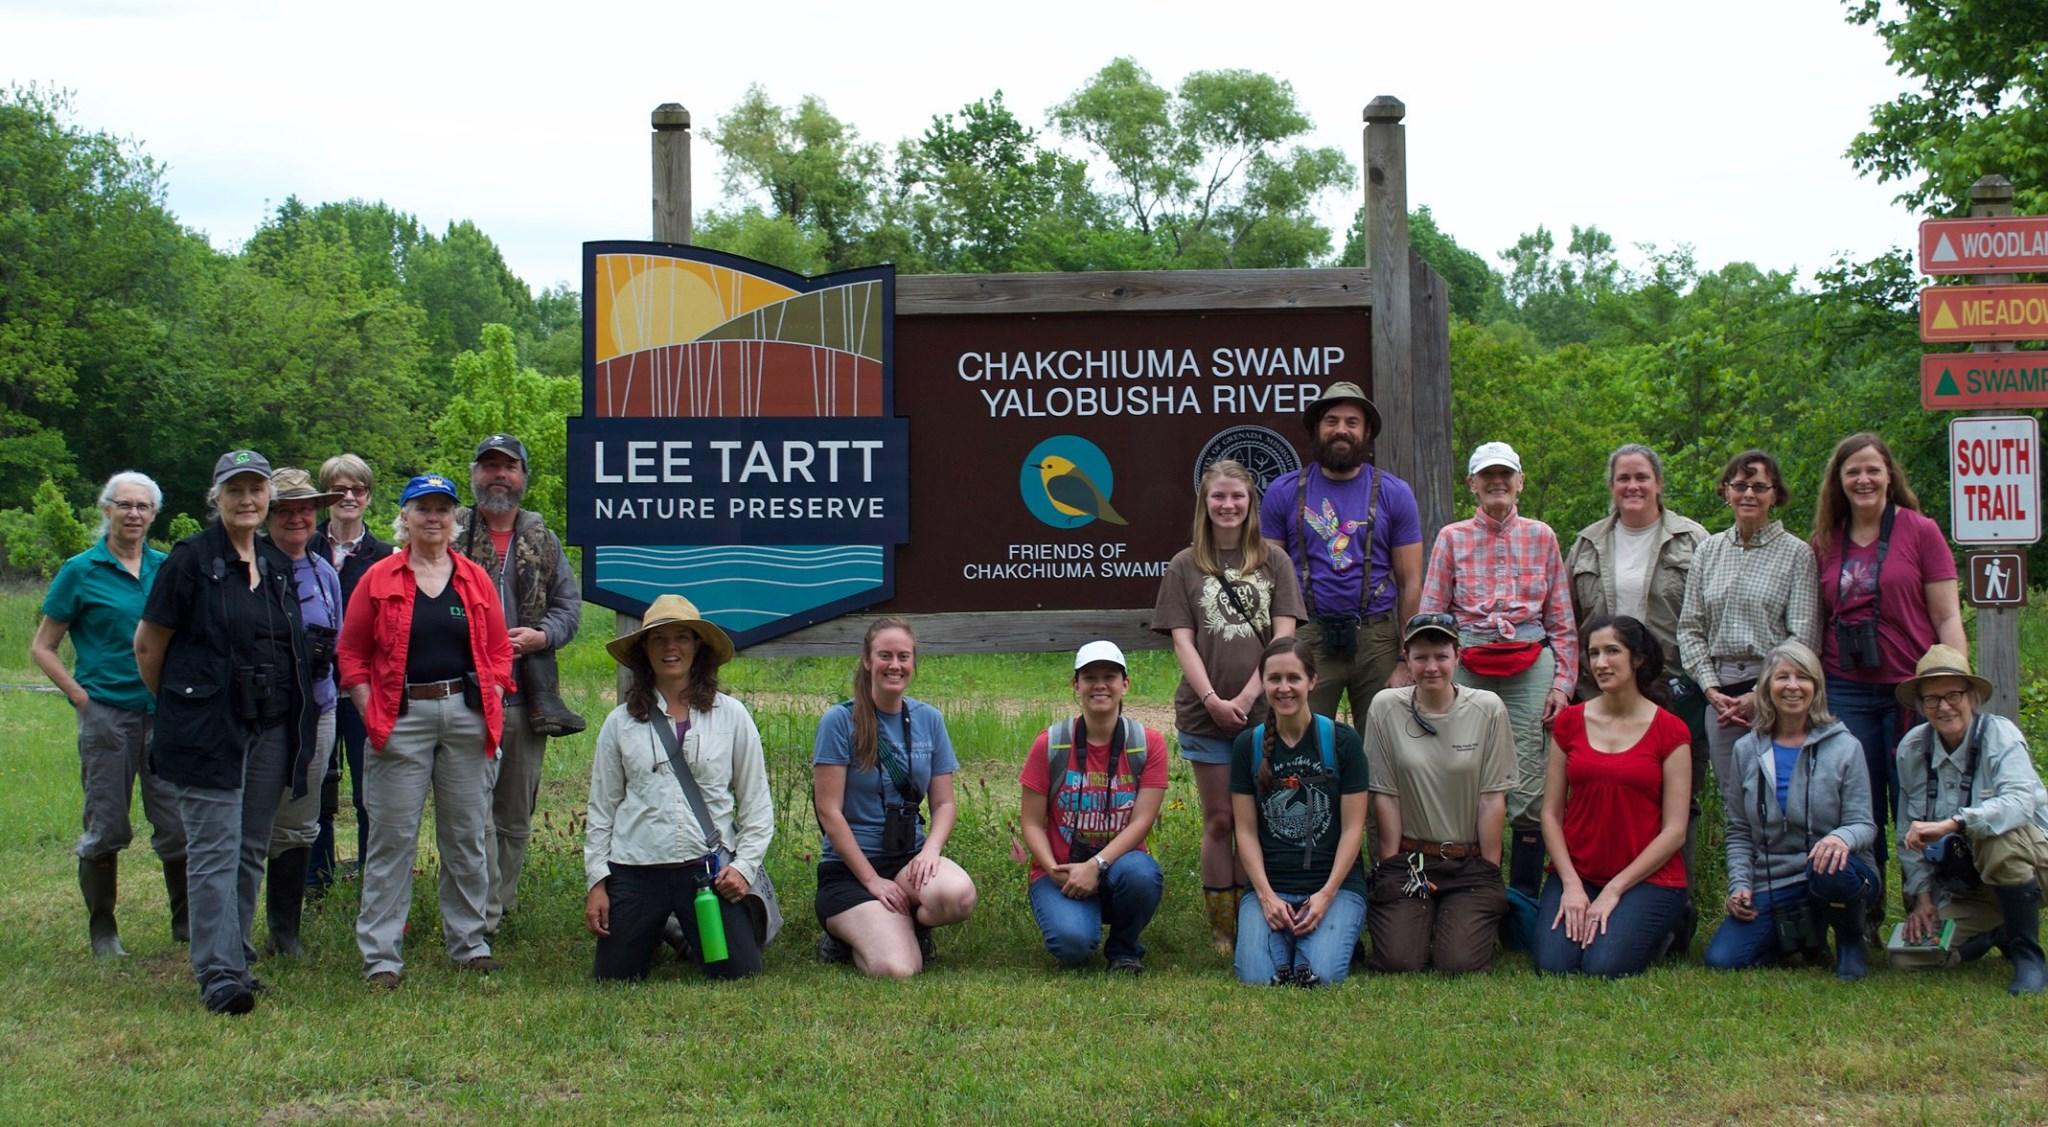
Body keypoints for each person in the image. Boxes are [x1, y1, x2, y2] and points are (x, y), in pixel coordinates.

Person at [132, 450, 320, 1015]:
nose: (246, 500)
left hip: (268, 724)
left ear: (268, 498)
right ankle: (216, 974)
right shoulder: (191, 559)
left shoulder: (275, 561)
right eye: (234, 490)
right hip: (207, 727)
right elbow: (148, 646)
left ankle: (234, 956)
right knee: (212, 848)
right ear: (215, 497)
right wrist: (186, 703)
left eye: (255, 490)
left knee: (249, 848)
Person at [337, 473, 515, 989]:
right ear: (406, 518)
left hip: (465, 714)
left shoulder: (475, 579)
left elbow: (500, 650)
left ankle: (469, 942)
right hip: (401, 715)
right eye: (423, 508)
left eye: (443, 508)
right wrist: (369, 708)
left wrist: (496, 693)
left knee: (466, 836)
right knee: (392, 840)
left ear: (456, 519)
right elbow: (350, 654)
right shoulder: (379, 577)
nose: (434, 517)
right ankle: (382, 956)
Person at [1810, 433, 1965, 929]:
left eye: (1873, 470)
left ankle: (1928, 904)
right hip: (1847, 686)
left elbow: (1946, 618)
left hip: (1909, 687)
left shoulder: (1920, 531)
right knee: (1861, 802)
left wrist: (1951, 686)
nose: (1863, 480)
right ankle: (1866, 910)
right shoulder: (1825, 541)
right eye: (1852, 471)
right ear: (1839, 481)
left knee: (1915, 798)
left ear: (1889, 476)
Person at [584, 594, 779, 981]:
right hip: (636, 868)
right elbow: (601, 809)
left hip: (706, 872)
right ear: (644, 651)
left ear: (698, 647)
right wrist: (597, 883)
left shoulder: (733, 716)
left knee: (738, 971)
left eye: (683, 638)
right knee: (615, 976)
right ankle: (662, 927)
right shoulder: (619, 723)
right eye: (658, 639)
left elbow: (757, 806)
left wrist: (742, 868)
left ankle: (683, 930)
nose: (670, 648)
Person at [31, 471, 184, 956]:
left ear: (154, 514)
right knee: (108, 825)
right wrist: (80, 696)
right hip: (107, 714)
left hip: (165, 715)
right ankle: (104, 930)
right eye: (124, 505)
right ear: (106, 510)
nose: (133, 514)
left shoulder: (167, 568)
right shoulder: (81, 570)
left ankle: (185, 924)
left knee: (177, 824)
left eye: (143, 506)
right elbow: (44, 646)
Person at [1153, 459, 1302, 956]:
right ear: (1205, 502)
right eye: (1218, 496)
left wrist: (1247, 696)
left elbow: (1284, 636)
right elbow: (1183, 640)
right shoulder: (1184, 565)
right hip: (1205, 717)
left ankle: (1259, 913)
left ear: (1251, 502)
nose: (1228, 505)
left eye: (1237, 496)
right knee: (1219, 820)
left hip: (1266, 714)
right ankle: (1222, 929)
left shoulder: (1274, 560)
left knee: (1259, 819)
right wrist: (1214, 700)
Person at [1418, 441, 1577, 905]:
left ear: (1520, 480)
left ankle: (1523, 898)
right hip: (1467, 656)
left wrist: (1563, 683)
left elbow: (1561, 619)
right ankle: (1466, 888)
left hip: (1530, 657)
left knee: (1530, 776)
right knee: (1459, 768)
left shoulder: (1542, 536)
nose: (1497, 482)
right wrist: (1431, 674)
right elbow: (1432, 615)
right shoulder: (1452, 537)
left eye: (1505, 474)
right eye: (1487, 475)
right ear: (1472, 484)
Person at [457, 433, 583, 936]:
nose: (498, 476)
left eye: (508, 467)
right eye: (489, 466)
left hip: (525, 696)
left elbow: (569, 610)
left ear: (524, 478)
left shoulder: (544, 540)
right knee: (469, 810)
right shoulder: (450, 532)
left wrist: (540, 636)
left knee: (514, 811)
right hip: (464, 694)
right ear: (474, 475)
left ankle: (498, 907)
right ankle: (474, 906)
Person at [811, 617, 977, 977]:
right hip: (851, 872)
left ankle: (912, 926)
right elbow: (829, 811)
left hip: (908, 860)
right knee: (898, 969)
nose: (895, 665)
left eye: (904, 656)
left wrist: (930, 852)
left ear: (914, 663)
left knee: (959, 896)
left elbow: (945, 804)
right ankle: (848, 937)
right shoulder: (839, 722)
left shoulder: (929, 719)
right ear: (868, 661)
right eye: (885, 655)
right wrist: (872, 881)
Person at [1703, 641, 1877, 980]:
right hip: (1775, 878)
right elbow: (1739, 830)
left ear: (1817, 687)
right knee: (1723, 960)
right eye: (1782, 677)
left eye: (1803, 678)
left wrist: (1840, 839)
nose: (1793, 686)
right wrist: (1739, 885)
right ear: (1767, 687)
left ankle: (1850, 940)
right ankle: (1801, 941)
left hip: (1837, 870)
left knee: (1829, 868)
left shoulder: (1845, 746)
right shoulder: (1746, 750)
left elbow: (1863, 824)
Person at [1258, 382, 1423, 730]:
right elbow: (1269, 580)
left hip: (1377, 639)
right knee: (1302, 739)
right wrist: (1281, 645)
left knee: (1385, 744)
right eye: (1331, 420)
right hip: (1308, 636)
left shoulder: (1395, 493)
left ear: (1366, 432)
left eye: (1352, 421)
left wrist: (1405, 658)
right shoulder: (1283, 492)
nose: (1341, 430)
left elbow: (1411, 583)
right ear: (1318, 428)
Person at [1533, 616, 1691, 977]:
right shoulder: (1569, 722)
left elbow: (1675, 831)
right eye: (1593, 653)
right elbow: (1550, 814)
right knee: (1554, 965)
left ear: (1637, 659)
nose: (1601, 663)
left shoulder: (1670, 730)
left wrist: (1614, 890)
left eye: (1612, 651)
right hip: (1581, 871)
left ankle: (1672, 923)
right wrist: (1571, 884)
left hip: (1646, 877)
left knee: (1603, 966)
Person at [1890, 645, 2048, 995]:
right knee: (1910, 956)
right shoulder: (1911, 748)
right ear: (1920, 705)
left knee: (1996, 837)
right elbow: (1908, 830)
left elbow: (2020, 803)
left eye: (1954, 694)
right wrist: (1922, 897)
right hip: (1970, 885)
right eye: (1932, 699)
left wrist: (1954, 824)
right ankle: (1999, 931)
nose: (1944, 706)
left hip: (2035, 863)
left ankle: (2029, 957)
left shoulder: (1999, 734)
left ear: (1972, 697)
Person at [1363, 613, 1514, 974]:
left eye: (1441, 656)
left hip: (1467, 861)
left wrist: (1488, 873)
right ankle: (1416, 919)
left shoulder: (1488, 709)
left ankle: (1465, 917)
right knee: (1399, 960)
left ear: (1458, 656)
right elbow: (1385, 796)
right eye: (1421, 657)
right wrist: (1391, 869)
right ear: (1407, 659)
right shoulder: (1384, 707)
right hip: (1412, 860)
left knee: (1458, 963)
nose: (1432, 667)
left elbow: (1492, 799)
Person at [1677, 449, 1820, 815]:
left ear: (1776, 495)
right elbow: (1691, 628)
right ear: (1726, 491)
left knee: (1783, 796)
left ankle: (1785, 872)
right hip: (1721, 698)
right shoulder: (1708, 551)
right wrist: (1711, 689)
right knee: (1735, 802)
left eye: (1760, 486)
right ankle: (1744, 875)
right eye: (1740, 485)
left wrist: (1761, 694)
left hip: (1777, 690)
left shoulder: (1796, 554)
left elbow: (1803, 636)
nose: (1749, 494)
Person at [1018, 641, 1169, 972]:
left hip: (1119, 866)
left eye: (1110, 676)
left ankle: (1124, 948)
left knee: (1143, 874)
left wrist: (1096, 865)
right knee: (1071, 946)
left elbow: (1142, 821)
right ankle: (1077, 917)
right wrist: (1053, 871)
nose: (1100, 685)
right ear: (1075, 685)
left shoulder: (1147, 744)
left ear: (1125, 684)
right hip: (1060, 869)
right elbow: (1030, 821)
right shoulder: (1051, 743)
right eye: (1089, 677)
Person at [1231, 636, 1369, 986]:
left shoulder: (1343, 741)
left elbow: (1354, 829)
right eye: (1274, 679)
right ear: (1262, 684)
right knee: (1258, 979)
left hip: (1332, 887)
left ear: (1312, 681)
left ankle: (1330, 935)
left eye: (1294, 678)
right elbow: (1245, 831)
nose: (1284, 688)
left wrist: (1326, 895)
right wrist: (1265, 896)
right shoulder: (1248, 745)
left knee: (1319, 976)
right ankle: (1289, 937)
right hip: (1271, 887)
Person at [257, 467, 345, 957]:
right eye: (285, 509)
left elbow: (338, 640)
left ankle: (284, 931)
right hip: (262, 713)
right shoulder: (247, 567)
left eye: (304, 508)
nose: (296, 518)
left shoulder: (322, 570)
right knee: (250, 821)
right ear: (267, 515)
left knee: (299, 820)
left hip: (318, 709)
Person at [306, 453, 394, 890]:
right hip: (312, 690)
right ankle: (316, 881)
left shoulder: (386, 556)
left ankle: (369, 879)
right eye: (338, 489)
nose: (349, 497)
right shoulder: (303, 546)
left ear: (369, 496)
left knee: (370, 793)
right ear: (325, 497)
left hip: (365, 690)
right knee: (315, 789)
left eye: (357, 489)